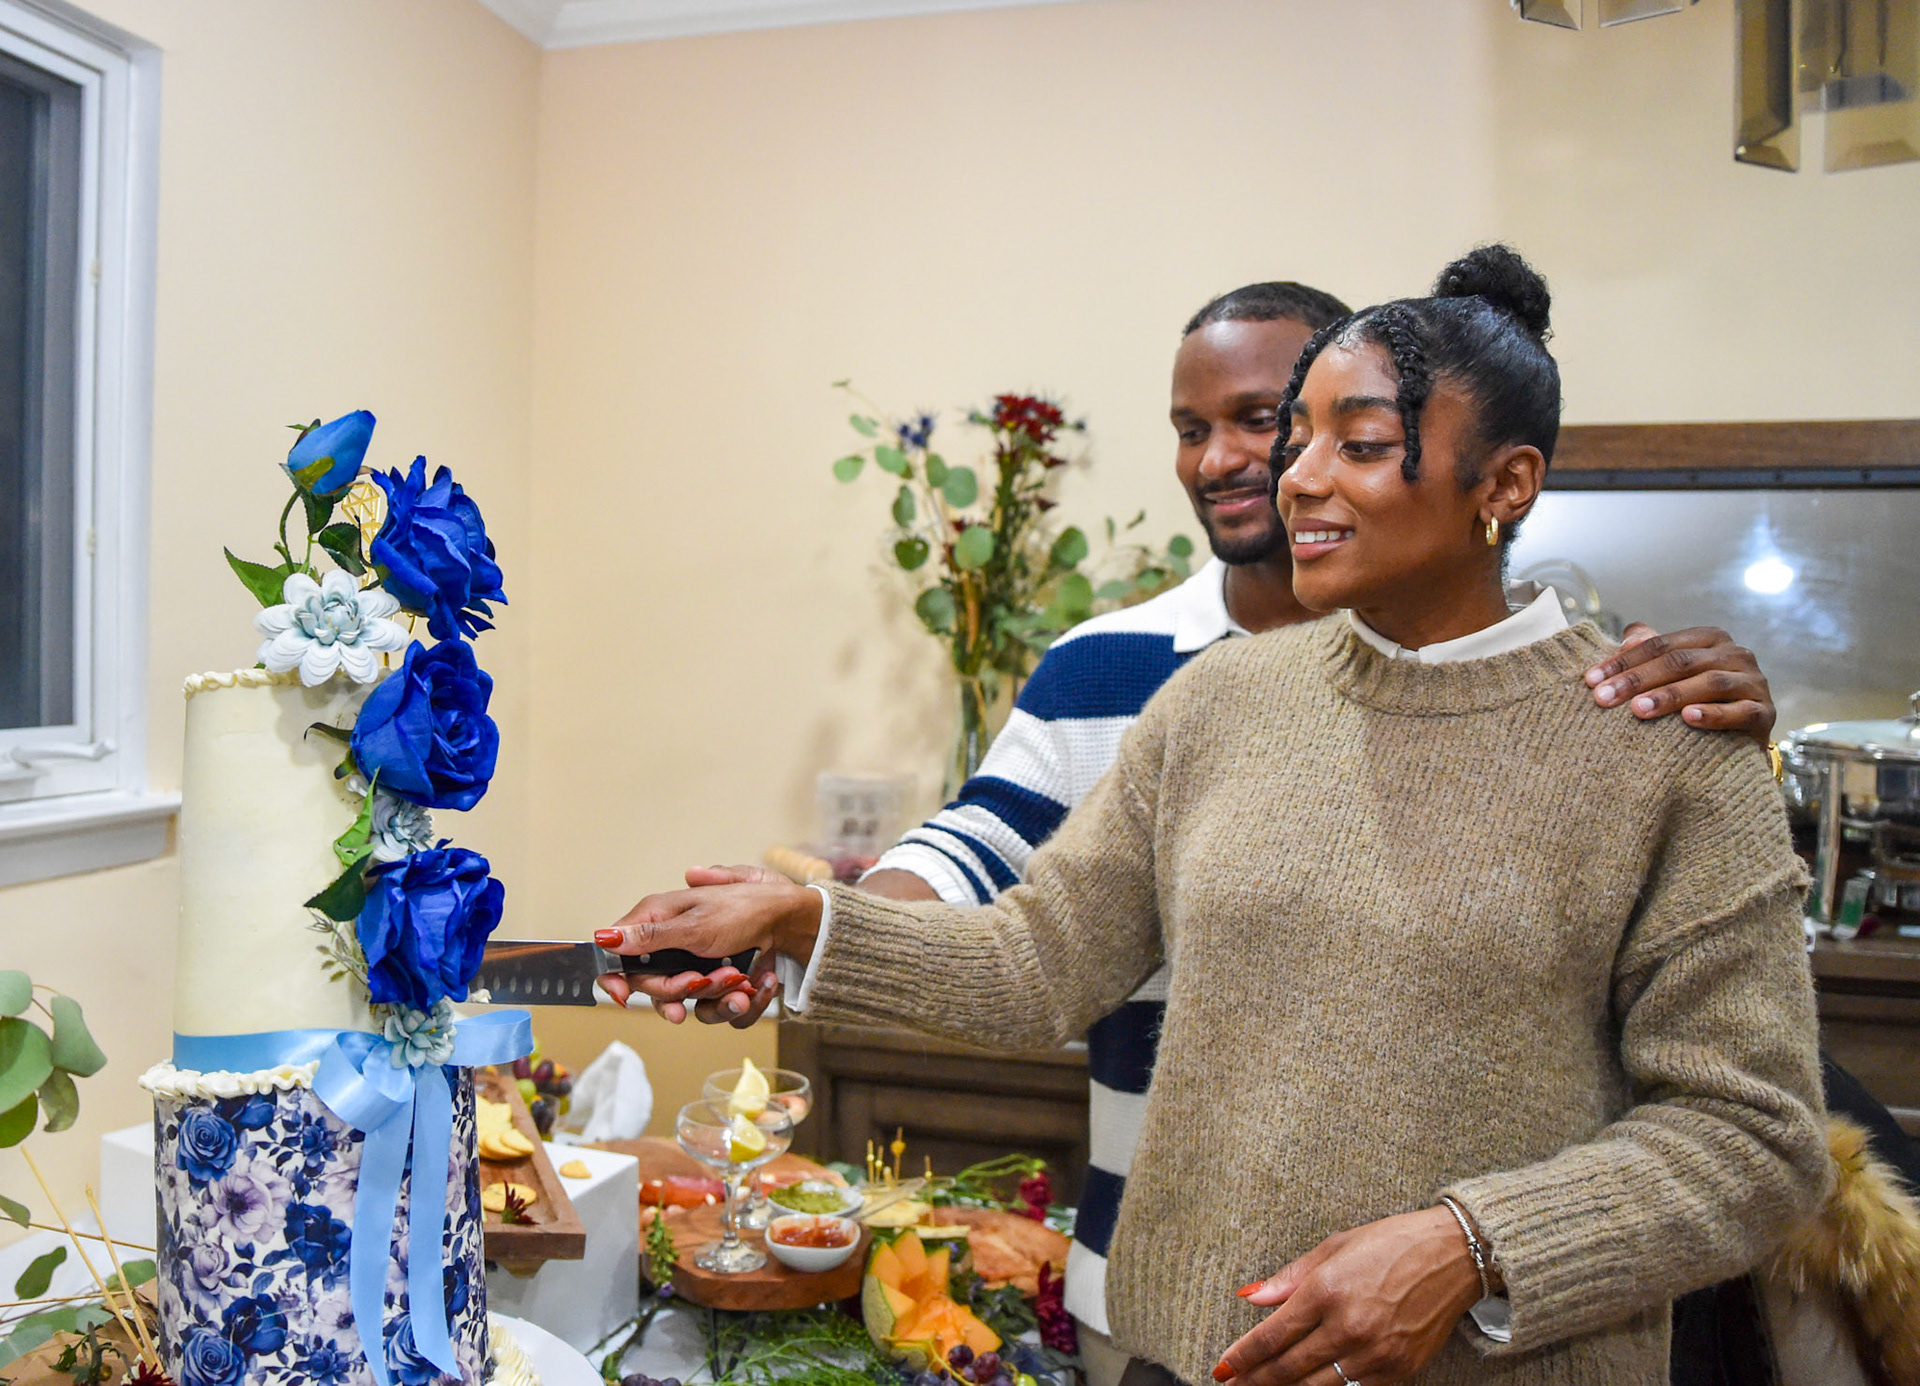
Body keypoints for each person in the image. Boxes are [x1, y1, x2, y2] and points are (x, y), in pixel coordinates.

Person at [601, 247, 1828, 1386]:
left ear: (1504, 485)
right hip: (1190, 1355)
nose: (1296, 477)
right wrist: (800, 921)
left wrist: (1473, 1246)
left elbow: (1757, 1137)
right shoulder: (1219, 702)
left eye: (1357, 443)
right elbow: (1034, 961)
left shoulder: (1669, 753)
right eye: (1299, 437)